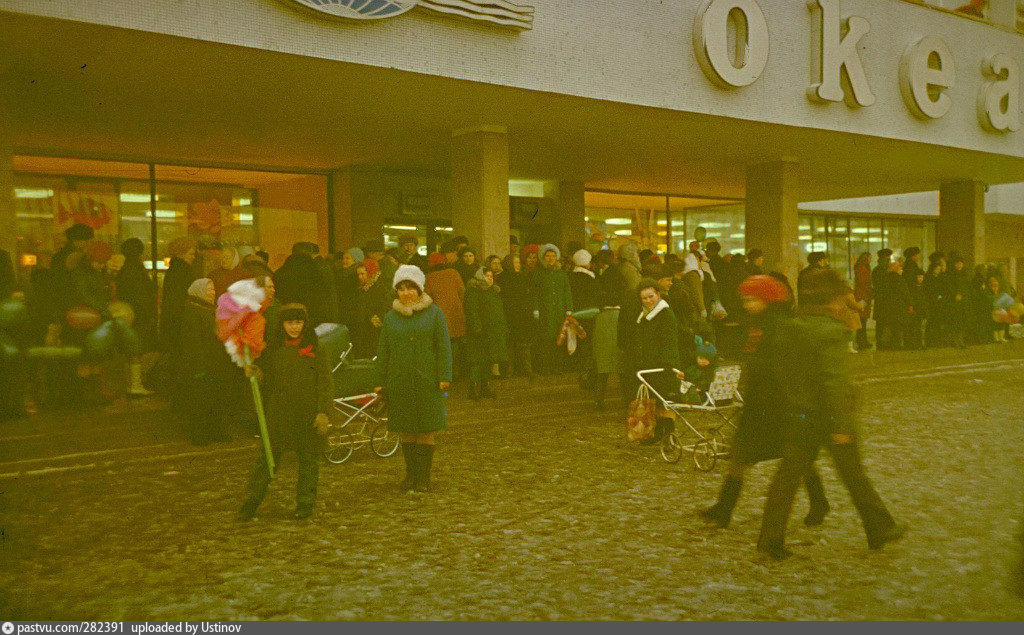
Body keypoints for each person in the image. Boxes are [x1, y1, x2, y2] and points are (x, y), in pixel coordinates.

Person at [757, 267, 905, 560]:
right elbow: (833, 382)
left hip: (800, 415)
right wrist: (840, 424)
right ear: (831, 298)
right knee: (854, 476)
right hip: (829, 417)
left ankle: (770, 540)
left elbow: (780, 372)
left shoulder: (789, 327)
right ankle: (879, 527)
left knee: (786, 480)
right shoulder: (829, 331)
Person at [701, 274, 831, 529]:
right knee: (740, 456)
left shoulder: (781, 325)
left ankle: (819, 501)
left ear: (767, 300)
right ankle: (724, 508)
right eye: (745, 299)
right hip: (757, 406)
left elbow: (786, 369)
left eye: (752, 299)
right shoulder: (756, 323)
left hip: (777, 406)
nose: (747, 304)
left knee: (797, 459)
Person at [237, 303, 332, 521]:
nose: (294, 327)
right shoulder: (273, 350)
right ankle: (252, 501)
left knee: (308, 461)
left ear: (305, 324)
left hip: (307, 414)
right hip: (279, 414)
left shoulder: (317, 349)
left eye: (298, 322)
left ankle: (305, 504)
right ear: (282, 325)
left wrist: (324, 412)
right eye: (290, 323)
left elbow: (325, 383)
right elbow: (268, 380)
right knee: (267, 460)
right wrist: (257, 373)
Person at [375, 265, 453, 492]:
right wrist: (380, 380)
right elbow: (384, 350)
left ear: (419, 289)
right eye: (401, 288)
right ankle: (410, 475)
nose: (406, 292)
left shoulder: (435, 314)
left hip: (427, 381)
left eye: (411, 287)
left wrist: (444, 375)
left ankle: (423, 477)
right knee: (406, 430)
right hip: (399, 381)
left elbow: (444, 347)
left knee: (426, 429)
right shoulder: (390, 318)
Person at [179, 278, 232, 445]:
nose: (212, 292)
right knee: (201, 401)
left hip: (213, 363)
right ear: (198, 292)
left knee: (213, 399)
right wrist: (198, 366)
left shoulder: (208, 309)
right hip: (201, 364)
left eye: (213, 289)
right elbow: (193, 343)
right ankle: (200, 435)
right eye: (208, 289)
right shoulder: (194, 311)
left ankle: (214, 432)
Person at [629, 279, 681, 445]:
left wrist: (667, 364)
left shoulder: (665, 314)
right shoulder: (643, 315)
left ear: (658, 294)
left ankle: (669, 436)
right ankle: (657, 433)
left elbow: (669, 341)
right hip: (648, 365)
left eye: (651, 296)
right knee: (654, 402)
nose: (648, 300)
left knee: (666, 402)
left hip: (663, 365)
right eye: (644, 298)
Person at [115, 238, 157, 396]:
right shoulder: (136, 270)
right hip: (138, 316)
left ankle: (132, 383)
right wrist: (149, 315)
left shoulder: (125, 269)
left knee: (132, 349)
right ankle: (136, 384)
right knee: (136, 350)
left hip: (128, 315)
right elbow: (142, 296)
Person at [464, 267, 509, 400]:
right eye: (486, 276)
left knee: (488, 360)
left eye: (491, 276)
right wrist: (477, 327)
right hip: (479, 332)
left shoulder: (493, 291)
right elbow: (472, 310)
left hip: (492, 332)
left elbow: (499, 311)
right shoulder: (473, 291)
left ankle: (484, 387)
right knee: (477, 361)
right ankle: (473, 389)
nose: (489, 278)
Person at [534, 244, 573, 374]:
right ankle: (546, 367)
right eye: (548, 256)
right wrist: (536, 309)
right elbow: (535, 293)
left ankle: (558, 367)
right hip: (545, 311)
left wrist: (569, 308)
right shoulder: (539, 274)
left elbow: (567, 291)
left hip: (560, 311)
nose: (551, 258)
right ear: (543, 258)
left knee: (560, 337)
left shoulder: (562, 274)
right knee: (547, 339)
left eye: (553, 255)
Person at [498, 250, 537, 380]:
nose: (518, 265)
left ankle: (526, 369)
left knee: (523, 344)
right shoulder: (504, 278)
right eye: (515, 262)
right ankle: (511, 370)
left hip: (522, 314)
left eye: (518, 262)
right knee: (512, 344)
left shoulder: (523, 276)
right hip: (510, 314)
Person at [160, 237, 197, 351]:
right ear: (182, 254)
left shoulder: (173, 269)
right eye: (191, 254)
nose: (193, 257)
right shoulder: (184, 270)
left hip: (170, 316)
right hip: (180, 317)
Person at [351, 258, 392, 358]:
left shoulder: (380, 287)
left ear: (370, 273)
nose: (360, 277)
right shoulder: (365, 287)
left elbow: (384, 307)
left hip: (375, 328)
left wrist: (375, 318)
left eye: (362, 274)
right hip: (367, 327)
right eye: (358, 274)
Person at [944, 254, 971, 349]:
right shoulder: (950, 274)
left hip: (963, 301)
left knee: (962, 321)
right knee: (955, 321)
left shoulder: (965, 274)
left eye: (961, 263)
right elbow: (949, 287)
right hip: (954, 302)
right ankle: (955, 341)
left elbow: (967, 286)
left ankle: (961, 340)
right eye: (957, 263)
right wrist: (956, 294)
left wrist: (962, 294)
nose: (959, 265)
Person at [335, 247, 363, 333]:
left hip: (350, 310)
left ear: (356, 260)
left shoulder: (353, 273)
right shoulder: (344, 272)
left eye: (348, 258)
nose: (344, 260)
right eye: (343, 258)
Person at [923, 259, 948, 348]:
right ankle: (930, 341)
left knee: (937, 322)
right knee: (932, 322)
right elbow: (929, 290)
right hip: (932, 303)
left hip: (938, 303)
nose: (938, 271)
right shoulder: (929, 278)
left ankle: (936, 341)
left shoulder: (938, 277)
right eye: (937, 269)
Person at [853, 252, 873, 350]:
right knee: (862, 320)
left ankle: (862, 340)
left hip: (862, 296)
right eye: (870, 258)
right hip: (863, 297)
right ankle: (861, 341)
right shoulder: (862, 268)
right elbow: (864, 283)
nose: (871, 260)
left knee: (862, 320)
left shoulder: (860, 268)